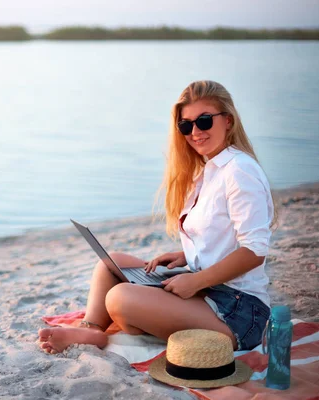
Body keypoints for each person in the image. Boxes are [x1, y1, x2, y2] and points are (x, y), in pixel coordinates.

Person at [38, 80, 275, 354]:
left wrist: (195, 281)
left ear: (228, 121)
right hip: (208, 287)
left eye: (204, 121)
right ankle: (91, 329)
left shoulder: (239, 171)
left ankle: (116, 325)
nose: (195, 132)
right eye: (186, 125)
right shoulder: (208, 170)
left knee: (119, 298)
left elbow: (255, 250)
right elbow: (225, 233)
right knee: (111, 262)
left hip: (239, 311)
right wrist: (186, 256)